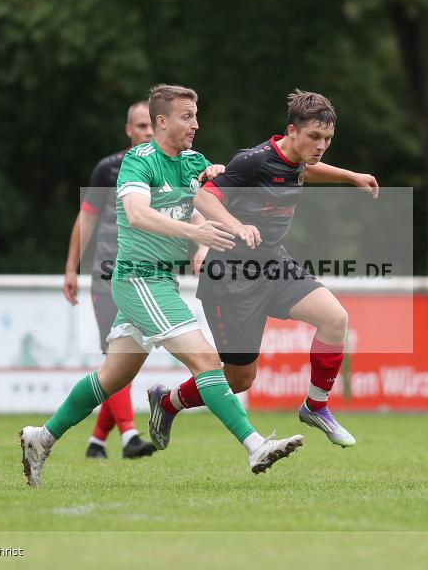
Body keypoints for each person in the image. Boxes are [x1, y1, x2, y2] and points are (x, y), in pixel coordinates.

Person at [20, 84, 303, 487]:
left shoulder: (194, 163)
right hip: (138, 278)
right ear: (161, 122)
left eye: (196, 115)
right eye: (187, 116)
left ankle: (41, 438)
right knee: (206, 360)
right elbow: (136, 215)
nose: (195, 124)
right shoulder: (140, 161)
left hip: (160, 280)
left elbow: (208, 209)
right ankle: (255, 445)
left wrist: (211, 225)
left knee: (112, 377)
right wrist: (196, 233)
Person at [147, 90, 378, 450]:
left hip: (273, 263)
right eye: (314, 137)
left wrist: (351, 177)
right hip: (232, 278)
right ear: (291, 131)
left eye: (328, 139)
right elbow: (204, 197)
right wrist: (235, 226)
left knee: (335, 319)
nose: (320, 146)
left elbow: (306, 169)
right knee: (239, 381)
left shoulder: (298, 156)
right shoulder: (252, 162)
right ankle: (167, 401)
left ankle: (316, 406)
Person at [62, 101, 156, 460]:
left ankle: (97, 440)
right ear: (128, 130)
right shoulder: (109, 169)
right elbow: (86, 220)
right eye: (141, 126)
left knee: (124, 362)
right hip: (108, 275)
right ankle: (130, 435)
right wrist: (71, 267)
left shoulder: (169, 167)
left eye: (152, 126)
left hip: (148, 278)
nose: (147, 132)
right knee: (116, 354)